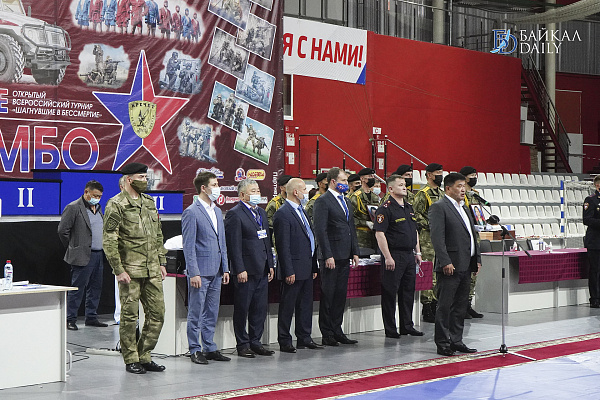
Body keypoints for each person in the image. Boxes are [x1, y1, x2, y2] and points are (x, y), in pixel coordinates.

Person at [103, 163, 167, 374]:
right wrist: (118, 269)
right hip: (130, 270)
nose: (145, 180)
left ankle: (144, 355)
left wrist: (162, 261)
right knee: (130, 317)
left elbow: (158, 234)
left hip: (152, 269)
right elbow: (109, 240)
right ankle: (131, 358)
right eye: (141, 177)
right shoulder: (116, 204)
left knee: (157, 314)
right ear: (129, 179)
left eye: (146, 177)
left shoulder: (149, 202)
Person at [429, 172, 481, 356]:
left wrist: (477, 259)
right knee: (445, 306)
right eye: (459, 186)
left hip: (466, 264)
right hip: (450, 265)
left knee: (460, 306)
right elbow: (437, 238)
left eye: (464, 186)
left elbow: (472, 235)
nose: (463, 189)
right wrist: (445, 261)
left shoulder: (464, 207)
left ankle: (456, 340)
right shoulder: (439, 207)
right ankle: (443, 343)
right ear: (448, 188)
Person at [182, 171, 231, 365]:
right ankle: (194, 349)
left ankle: (209, 347)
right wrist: (193, 272)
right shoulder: (191, 212)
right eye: (215, 184)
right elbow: (189, 246)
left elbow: (222, 242)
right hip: (200, 272)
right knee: (196, 312)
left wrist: (225, 268)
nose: (218, 188)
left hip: (217, 270)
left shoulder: (217, 211)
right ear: (204, 188)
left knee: (211, 311)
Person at [224, 179, 275, 358]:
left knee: (259, 309)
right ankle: (243, 344)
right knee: (242, 308)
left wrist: (270, 264)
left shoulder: (261, 212)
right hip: (246, 269)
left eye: (258, 190)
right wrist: (239, 269)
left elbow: (266, 240)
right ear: (242, 195)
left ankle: (256, 342)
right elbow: (234, 245)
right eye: (253, 191)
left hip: (262, 268)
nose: (257, 193)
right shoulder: (235, 214)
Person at [273, 178, 321, 353]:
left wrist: (313, 266)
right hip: (293, 268)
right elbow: (282, 246)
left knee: (305, 304)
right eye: (304, 189)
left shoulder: (303, 211)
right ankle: (284, 340)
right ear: (295, 192)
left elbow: (310, 239)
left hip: (306, 267)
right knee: (288, 305)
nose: (306, 193)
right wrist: (288, 270)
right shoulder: (283, 213)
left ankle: (304, 337)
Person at [313, 167, 360, 346]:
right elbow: (321, 230)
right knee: (329, 294)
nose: (346, 184)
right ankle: (327, 333)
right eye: (344, 181)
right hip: (331, 256)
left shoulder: (346, 201)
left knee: (340, 295)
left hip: (345, 254)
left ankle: (337, 329)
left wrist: (355, 251)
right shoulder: (322, 201)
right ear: (333, 181)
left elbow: (350, 227)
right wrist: (327, 255)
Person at [374, 175, 423, 339]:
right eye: (400, 185)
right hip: (394, 255)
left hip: (409, 255)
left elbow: (414, 231)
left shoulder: (408, 207)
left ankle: (407, 326)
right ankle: (390, 329)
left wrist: (418, 252)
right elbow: (380, 234)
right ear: (390, 189)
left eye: (405, 184)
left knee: (408, 291)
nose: (404, 187)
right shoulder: (385, 208)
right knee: (390, 292)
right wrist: (387, 257)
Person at [58, 180, 108, 331]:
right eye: (95, 195)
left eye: (99, 196)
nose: (97, 199)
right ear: (86, 192)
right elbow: (62, 230)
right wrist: (74, 246)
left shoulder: (99, 209)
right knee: (77, 289)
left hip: (98, 254)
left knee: (95, 288)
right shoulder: (73, 207)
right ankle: (70, 319)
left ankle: (91, 317)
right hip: (82, 255)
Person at [413, 162, 444, 323]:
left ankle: (436, 302)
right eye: (437, 173)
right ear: (429, 175)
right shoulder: (422, 194)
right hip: (427, 238)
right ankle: (427, 306)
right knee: (429, 271)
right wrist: (431, 224)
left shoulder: (442, 193)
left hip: (440, 238)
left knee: (439, 272)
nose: (440, 175)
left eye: (441, 172)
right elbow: (416, 215)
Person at [460, 166, 484, 319]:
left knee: (474, 272)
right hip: (463, 236)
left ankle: (468, 305)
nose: (474, 178)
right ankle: (460, 306)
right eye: (471, 176)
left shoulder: (476, 195)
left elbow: (478, 213)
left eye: (475, 175)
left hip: (475, 236)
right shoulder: (460, 196)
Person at [349, 168, 380, 251]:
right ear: (362, 179)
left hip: (373, 236)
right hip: (360, 237)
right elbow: (350, 218)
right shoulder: (356, 197)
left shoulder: (375, 197)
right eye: (370, 176)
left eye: (373, 176)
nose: (372, 178)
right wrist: (365, 223)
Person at [583, 174, 600, 308]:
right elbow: (587, 220)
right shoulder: (591, 200)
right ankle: (594, 298)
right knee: (595, 270)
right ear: (597, 185)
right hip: (595, 241)